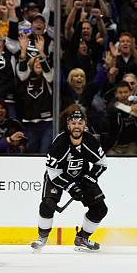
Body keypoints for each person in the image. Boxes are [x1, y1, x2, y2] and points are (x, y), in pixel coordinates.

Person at [30, 108, 108, 252]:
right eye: (73, 123)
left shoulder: (91, 141)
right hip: (58, 176)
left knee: (100, 209)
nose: (76, 125)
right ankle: (42, 237)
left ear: (85, 125)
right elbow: (53, 172)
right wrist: (71, 187)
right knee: (47, 204)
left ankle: (82, 238)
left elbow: (102, 164)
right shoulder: (59, 143)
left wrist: (90, 177)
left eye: (80, 122)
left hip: (82, 176)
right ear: (68, 126)